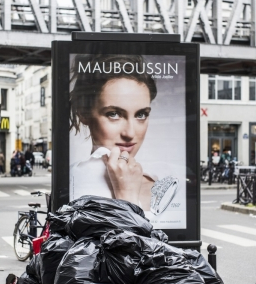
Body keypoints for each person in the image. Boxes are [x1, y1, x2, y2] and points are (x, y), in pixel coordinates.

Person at [69, 53, 184, 218]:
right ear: (83, 113)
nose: (130, 133)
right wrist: (127, 197)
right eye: (114, 114)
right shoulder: (72, 182)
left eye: (141, 114)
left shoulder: (169, 180)